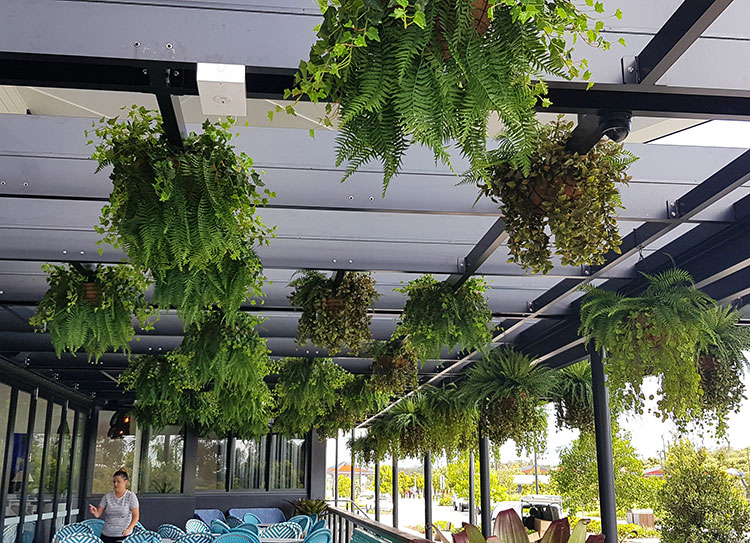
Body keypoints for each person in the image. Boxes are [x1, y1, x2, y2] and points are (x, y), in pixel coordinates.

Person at [89, 469, 140, 543]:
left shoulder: (131, 496)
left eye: (118, 482)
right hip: (107, 534)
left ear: (125, 482)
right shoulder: (107, 497)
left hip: (123, 535)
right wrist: (94, 512)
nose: (115, 484)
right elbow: (98, 514)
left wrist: (129, 528)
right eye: (114, 482)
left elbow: (136, 516)